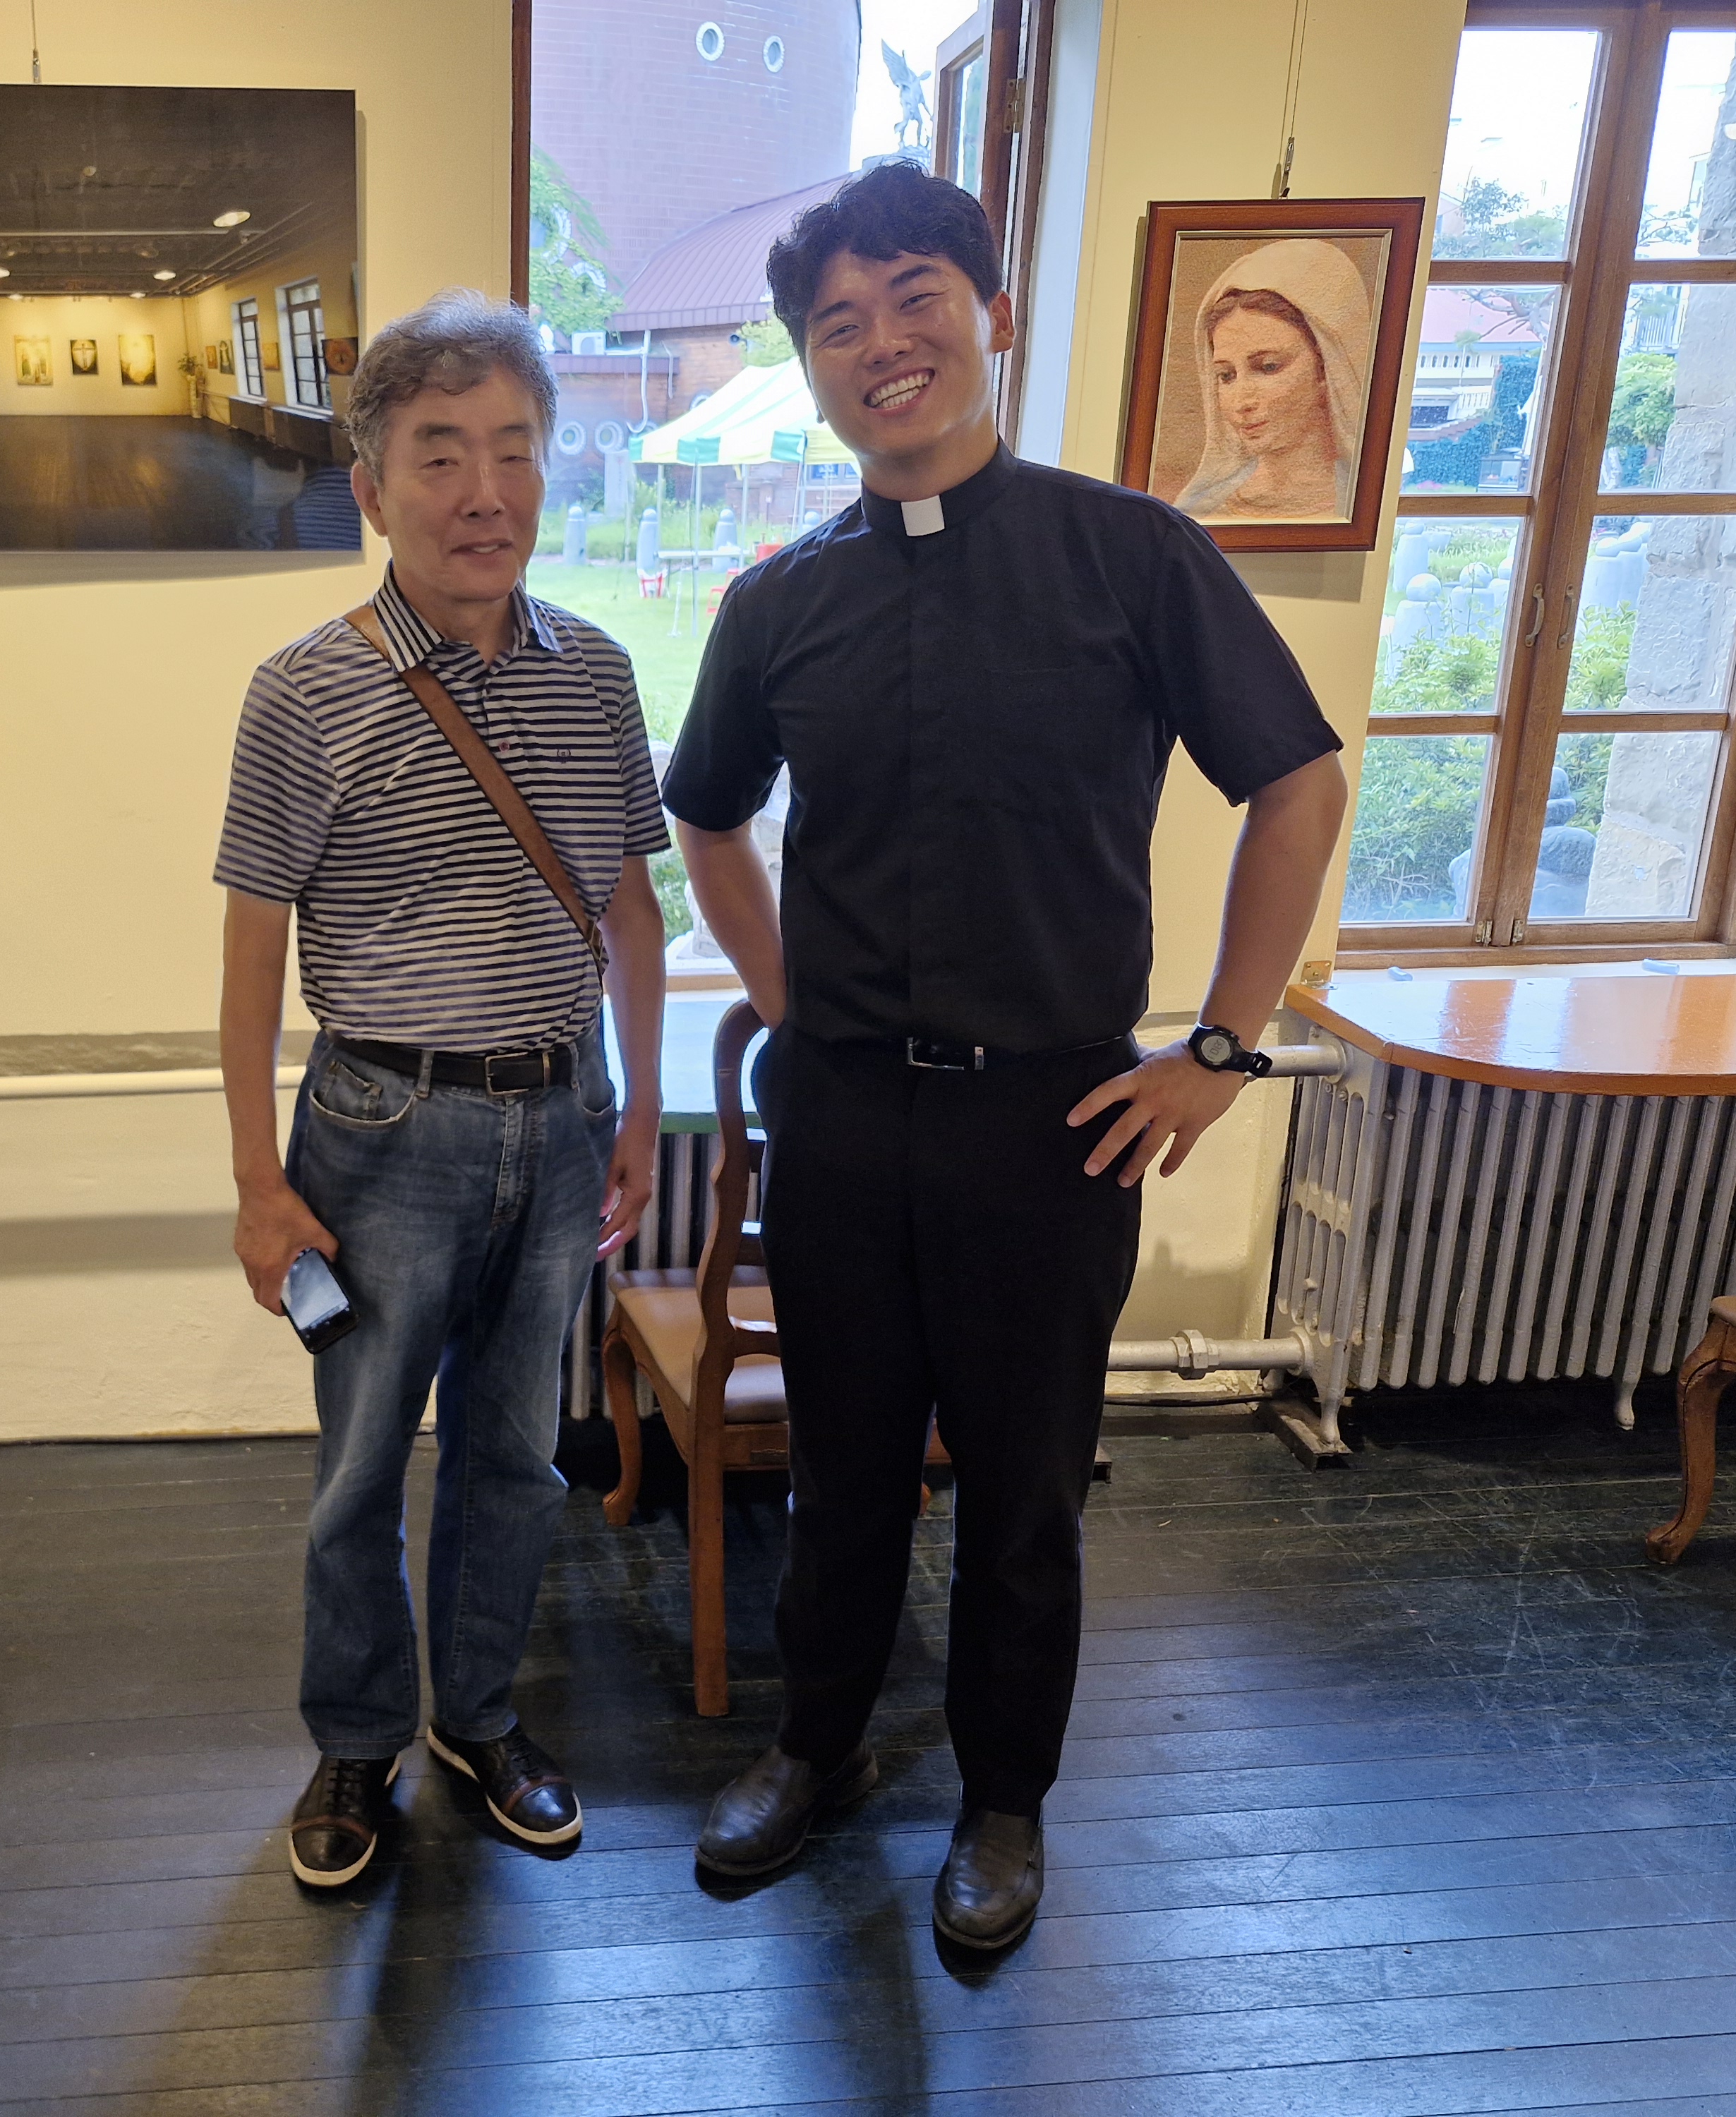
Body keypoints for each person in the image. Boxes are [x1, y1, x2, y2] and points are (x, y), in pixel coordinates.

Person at [663, 162, 1348, 1948]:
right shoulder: (776, 602)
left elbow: (1295, 781)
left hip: (1053, 1124)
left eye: (915, 299)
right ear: (810, 367)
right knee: (839, 1471)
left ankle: (1002, 1802)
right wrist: (784, 996)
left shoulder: (1131, 555)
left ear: (991, 315)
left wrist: (1220, 1045)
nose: (881, 344)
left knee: (1024, 1491)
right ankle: (812, 1748)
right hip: (838, 1117)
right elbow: (706, 815)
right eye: (838, 323)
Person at [214, 290, 673, 1890]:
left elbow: (631, 909)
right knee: (359, 1467)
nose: (486, 491)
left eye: (515, 450)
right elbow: (251, 950)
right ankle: (356, 1738)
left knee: (512, 1457)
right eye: (441, 454)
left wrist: (635, 1108)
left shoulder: (596, 673)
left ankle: (478, 1715)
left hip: (559, 1124)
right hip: (377, 1139)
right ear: (371, 486)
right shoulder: (302, 691)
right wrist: (257, 1185)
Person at [1172, 239, 1375, 522]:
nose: (1242, 402)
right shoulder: (1202, 509)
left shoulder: (1363, 503)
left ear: (1324, 368)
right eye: (1226, 376)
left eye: (1268, 367)